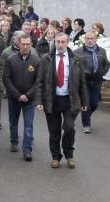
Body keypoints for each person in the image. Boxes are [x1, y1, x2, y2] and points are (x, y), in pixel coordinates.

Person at [37, 32, 88, 169]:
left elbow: (82, 82)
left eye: (63, 42)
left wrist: (85, 102)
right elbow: (40, 81)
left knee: (69, 128)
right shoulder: (46, 58)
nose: (60, 45)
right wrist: (39, 101)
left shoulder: (76, 59)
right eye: (58, 42)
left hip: (70, 100)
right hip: (52, 100)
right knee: (54, 131)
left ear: (67, 42)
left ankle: (69, 154)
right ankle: (55, 157)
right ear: (55, 42)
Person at [4, 32, 41, 161]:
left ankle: (27, 149)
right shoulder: (11, 59)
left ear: (31, 45)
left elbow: (38, 81)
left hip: (29, 99)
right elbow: (6, 79)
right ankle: (14, 140)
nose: (25, 47)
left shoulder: (36, 61)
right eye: (22, 44)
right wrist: (17, 95)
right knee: (13, 122)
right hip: (14, 98)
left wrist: (28, 95)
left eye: (27, 44)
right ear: (18, 44)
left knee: (28, 124)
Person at [79, 31, 110, 133]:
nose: (89, 40)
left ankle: (86, 114)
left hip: (97, 81)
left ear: (96, 39)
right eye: (87, 38)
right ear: (85, 39)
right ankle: (86, 124)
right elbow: (74, 66)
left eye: (92, 38)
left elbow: (106, 63)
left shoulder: (102, 51)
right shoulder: (78, 52)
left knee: (94, 103)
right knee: (86, 103)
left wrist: (102, 73)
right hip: (85, 81)